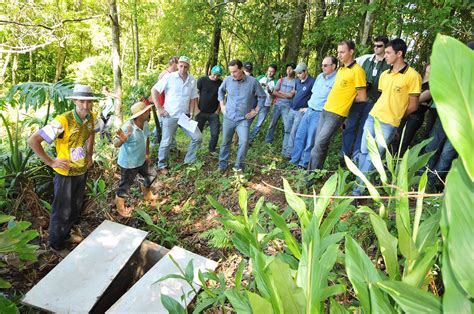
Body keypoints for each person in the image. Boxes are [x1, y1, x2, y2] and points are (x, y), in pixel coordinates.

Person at [27, 84, 99, 254]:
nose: (85, 106)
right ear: (74, 100)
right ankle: (56, 243)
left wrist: (89, 155)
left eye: (89, 102)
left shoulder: (91, 117)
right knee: (61, 210)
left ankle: (66, 234)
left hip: (81, 171)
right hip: (65, 173)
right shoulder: (63, 121)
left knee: (76, 206)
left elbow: (91, 134)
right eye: (82, 101)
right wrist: (51, 162)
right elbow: (33, 140)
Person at [354, 38, 421, 195]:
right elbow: (382, 97)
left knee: (374, 157)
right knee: (364, 151)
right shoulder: (385, 74)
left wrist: (396, 117)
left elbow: (413, 105)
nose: (385, 56)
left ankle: (357, 191)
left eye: (388, 53)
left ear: (399, 54)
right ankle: (360, 183)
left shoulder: (413, 76)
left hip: (389, 123)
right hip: (372, 117)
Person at [307, 40, 367, 176]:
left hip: (337, 113)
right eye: (338, 52)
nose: (339, 55)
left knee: (319, 144)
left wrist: (345, 102)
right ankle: (316, 173)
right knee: (319, 144)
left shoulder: (358, 71)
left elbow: (362, 97)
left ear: (351, 52)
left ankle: (309, 176)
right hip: (326, 109)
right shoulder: (341, 69)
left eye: (342, 52)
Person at [342, 35, 391, 162]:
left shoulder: (389, 64)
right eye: (374, 45)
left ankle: (356, 156)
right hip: (359, 98)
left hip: (375, 102)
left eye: (379, 46)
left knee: (364, 130)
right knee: (350, 126)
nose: (376, 48)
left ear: (385, 47)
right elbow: (350, 67)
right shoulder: (365, 59)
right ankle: (344, 154)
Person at [151, 56, 201, 172]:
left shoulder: (192, 80)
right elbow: (154, 90)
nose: (183, 69)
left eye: (186, 66)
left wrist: (192, 113)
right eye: (181, 66)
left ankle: (189, 161)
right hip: (170, 115)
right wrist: (159, 108)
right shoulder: (169, 77)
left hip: (184, 116)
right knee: (166, 141)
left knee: (197, 137)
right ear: (177, 65)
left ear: (189, 67)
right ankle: (162, 165)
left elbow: (193, 98)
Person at [218, 59, 266, 171]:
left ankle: (238, 167)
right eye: (230, 72)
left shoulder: (253, 82)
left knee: (244, 142)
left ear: (241, 69)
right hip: (229, 116)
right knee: (225, 142)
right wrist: (222, 105)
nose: (232, 74)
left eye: (234, 71)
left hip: (243, 119)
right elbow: (220, 91)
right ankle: (222, 165)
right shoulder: (227, 80)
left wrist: (256, 110)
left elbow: (262, 96)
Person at [291, 56, 337, 168]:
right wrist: (307, 108)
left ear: (334, 66)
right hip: (309, 110)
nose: (323, 67)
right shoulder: (320, 76)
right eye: (322, 65)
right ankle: (294, 160)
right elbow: (314, 94)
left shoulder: (337, 79)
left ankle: (303, 163)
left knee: (310, 140)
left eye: (325, 65)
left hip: (319, 113)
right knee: (299, 135)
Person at [114, 101, 157, 217]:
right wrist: (122, 139)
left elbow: (147, 137)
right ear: (139, 115)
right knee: (125, 187)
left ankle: (146, 192)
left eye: (147, 110)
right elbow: (115, 143)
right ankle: (120, 208)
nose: (149, 112)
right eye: (146, 111)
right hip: (129, 163)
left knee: (151, 175)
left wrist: (147, 154)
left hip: (141, 159)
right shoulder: (128, 127)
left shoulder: (145, 123)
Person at [391, 64, 432, 155]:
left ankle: (398, 163)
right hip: (403, 113)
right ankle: (389, 161)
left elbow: (417, 100)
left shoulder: (433, 86)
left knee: (404, 141)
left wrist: (410, 96)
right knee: (395, 137)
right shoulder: (417, 78)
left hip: (415, 116)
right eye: (430, 63)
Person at [285, 62, 315, 158]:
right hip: (292, 109)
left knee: (294, 132)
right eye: (297, 73)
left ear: (305, 71)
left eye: (300, 73)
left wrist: (308, 108)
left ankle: (290, 154)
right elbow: (296, 92)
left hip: (300, 111)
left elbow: (315, 96)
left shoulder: (312, 82)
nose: (298, 75)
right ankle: (284, 151)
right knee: (287, 130)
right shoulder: (297, 81)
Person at [265, 62, 296, 151]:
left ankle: (286, 147)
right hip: (277, 104)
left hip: (287, 107)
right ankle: (268, 142)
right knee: (272, 124)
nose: (289, 71)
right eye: (287, 69)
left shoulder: (295, 82)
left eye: (291, 69)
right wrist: (284, 95)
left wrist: (280, 93)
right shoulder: (281, 80)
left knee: (287, 126)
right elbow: (274, 92)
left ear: (294, 70)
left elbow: (291, 96)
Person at [196, 65, 224, 154]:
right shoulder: (202, 80)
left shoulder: (221, 83)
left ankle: (212, 150)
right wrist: (196, 108)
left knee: (215, 133)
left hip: (213, 113)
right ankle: (196, 149)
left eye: (218, 75)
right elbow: (195, 95)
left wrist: (218, 111)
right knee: (197, 132)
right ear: (211, 72)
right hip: (201, 111)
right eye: (214, 74)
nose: (216, 77)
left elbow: (222, 98)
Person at [153, 56, 179, 147]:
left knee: (166, 126)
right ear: (174, 63)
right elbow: (158, 91)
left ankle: (171, 145)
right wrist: (160, 107)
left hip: (166, 105)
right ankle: (154, 144)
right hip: (163, 105)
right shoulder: (166, 75)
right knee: (161, 126)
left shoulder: (169, 74)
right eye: (178, 64)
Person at [249, 64, 277, 141]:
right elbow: (252, 88)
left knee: (259, 123)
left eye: (272, 72)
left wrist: (269, 90)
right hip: (256, 101)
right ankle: (244, 136)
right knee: (249, 118)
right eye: (269, 71)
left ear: (275, 72)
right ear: (267, 70)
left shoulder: (275, 82)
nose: (270, 73)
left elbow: (275, 95)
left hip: (266, 104)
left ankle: (250, 139)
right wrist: (259, 86)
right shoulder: (260, 77)